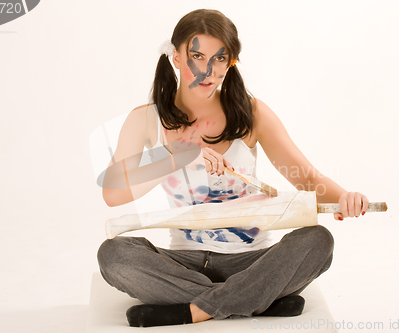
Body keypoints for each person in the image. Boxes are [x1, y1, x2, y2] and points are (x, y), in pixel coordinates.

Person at [97, 9, 368, 328]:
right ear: (176, 58)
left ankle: (193, 310)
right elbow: (113, 194)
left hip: (252, 260)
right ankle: (257, 299)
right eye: (197, 55)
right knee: (114, 255)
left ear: (231, 62)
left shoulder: (252, 113)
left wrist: (345, 198)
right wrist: (179, 154)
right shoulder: (144, 119)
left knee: (318, 241)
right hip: (183, 261)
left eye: (220, 58)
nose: (207, 70)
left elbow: (306, 177)